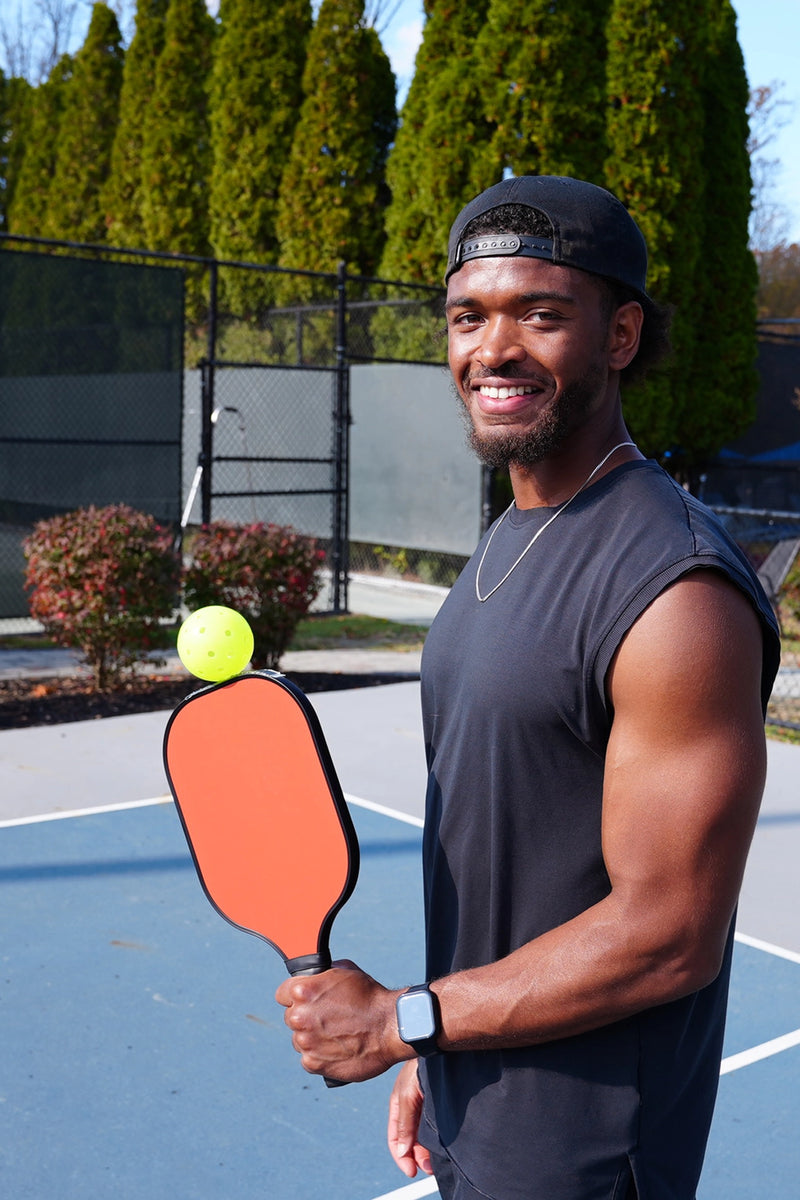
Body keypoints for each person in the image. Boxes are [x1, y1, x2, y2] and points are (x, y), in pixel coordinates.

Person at [276, 175, 781, 1199]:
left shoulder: (672, 592)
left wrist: (400, 1019)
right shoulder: (511, 533)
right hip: (480, 1099)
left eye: (539, 315)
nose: (490, 350)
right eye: (468, 317)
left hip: (584, 1156)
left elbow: (666, 936)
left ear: (620, 335)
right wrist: (440, 1049)